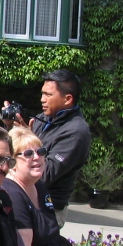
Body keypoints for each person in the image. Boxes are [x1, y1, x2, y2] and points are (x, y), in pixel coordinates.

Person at [31, 70, 92, 224]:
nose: (42, 99)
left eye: (48, 95)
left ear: (67, 99)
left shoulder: (75, 131)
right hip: (28, 200)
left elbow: (45, 174)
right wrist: (19, 134)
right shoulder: (43, 119)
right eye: (42, 94)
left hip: (48, 209)